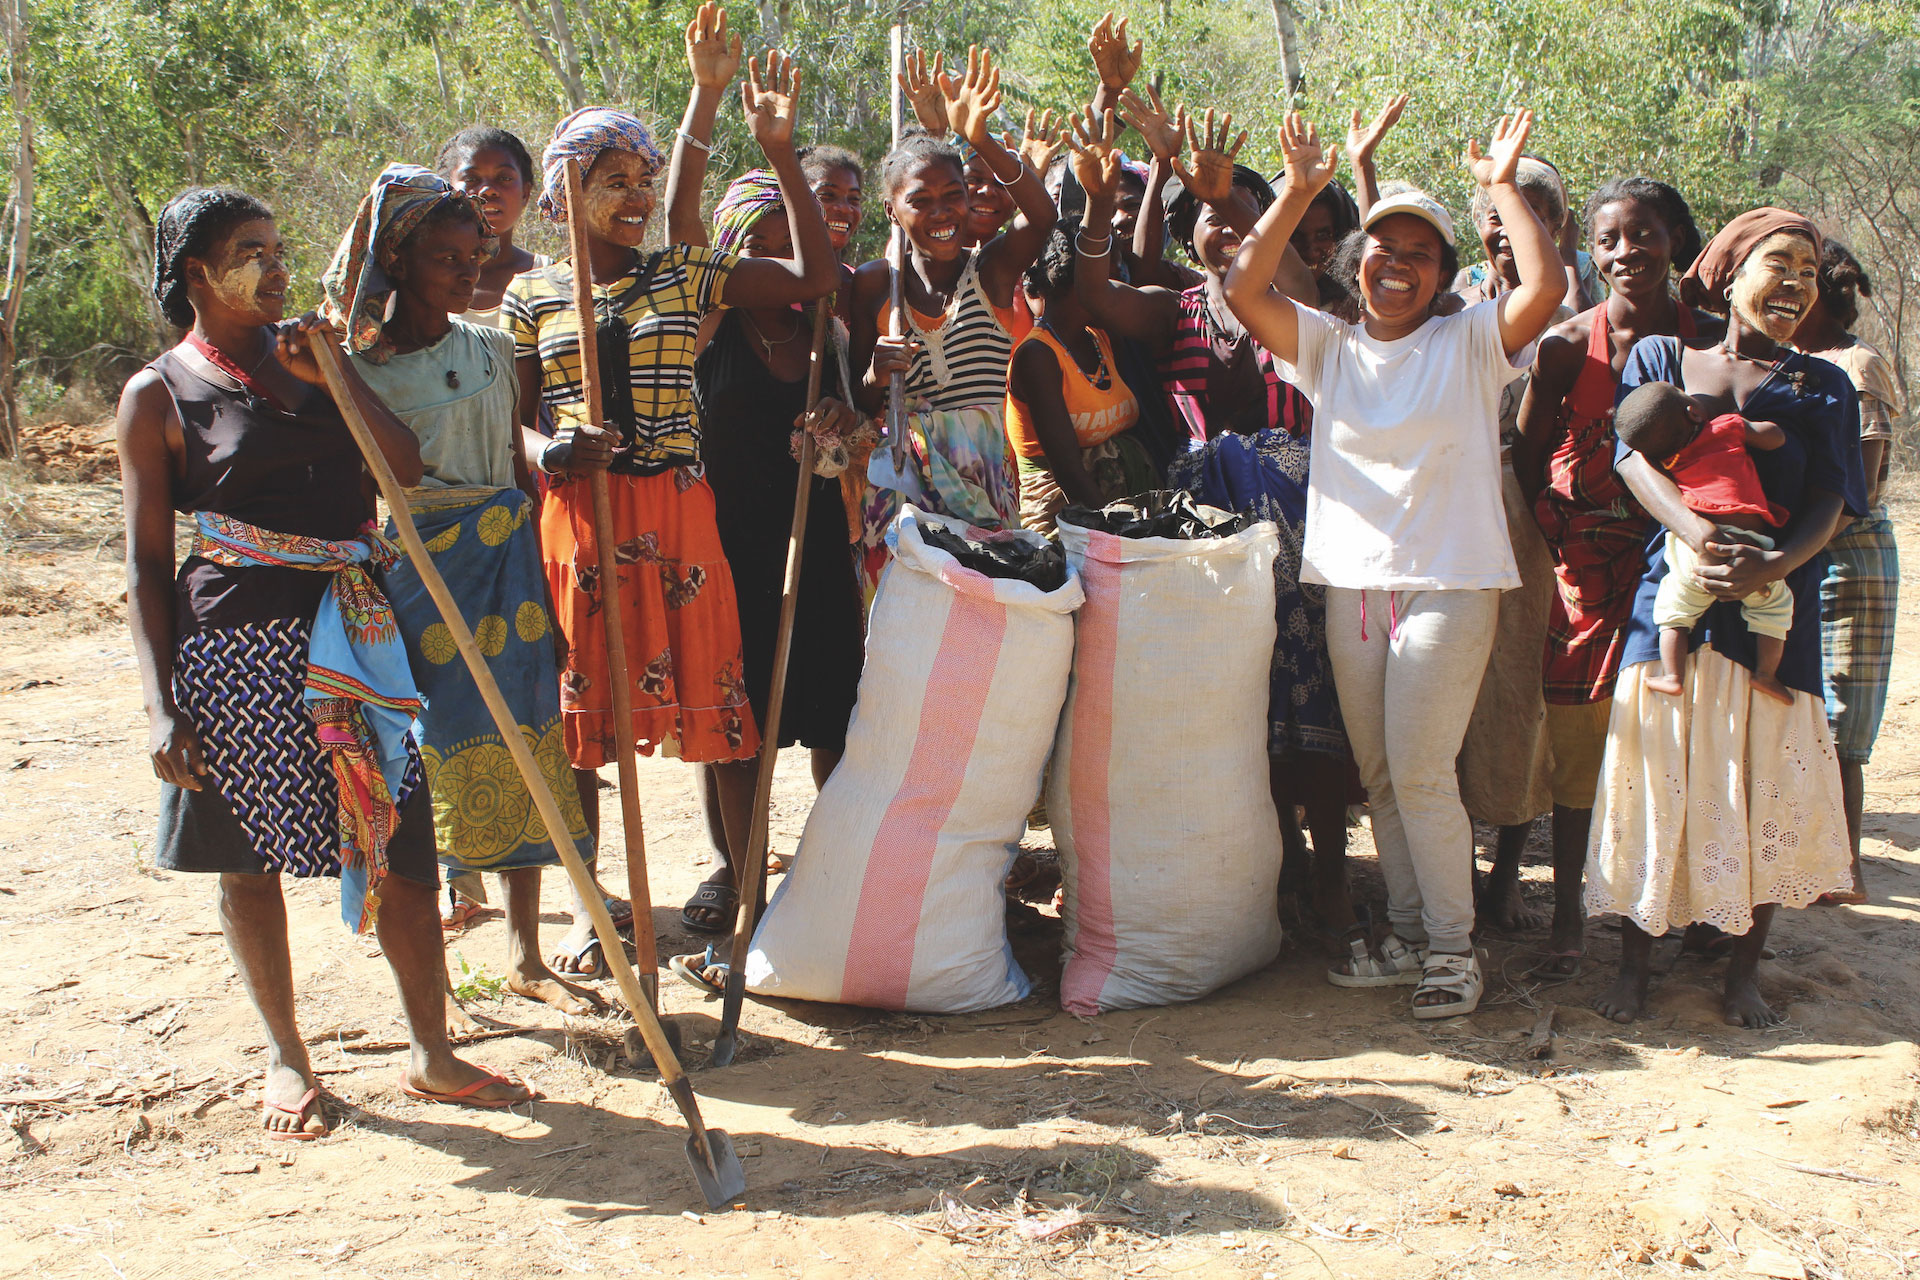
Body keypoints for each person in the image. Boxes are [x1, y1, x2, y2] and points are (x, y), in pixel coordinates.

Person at [118, 188, 535, 1139]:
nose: (273, 266)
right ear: (197, 277)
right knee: (248, 858)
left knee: (401, 842)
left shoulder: (314, 359)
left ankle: (431, 1051)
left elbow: (403, 466)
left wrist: (338, 372)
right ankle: (286, 1059)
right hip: (235, 645)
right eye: (247, 252)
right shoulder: (162, 393)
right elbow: (144, 566)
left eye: (276, 245)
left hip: (357, 629)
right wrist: (158, 707)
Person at [1224, 111, 1568, 1018]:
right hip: (1355, 586)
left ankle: (1454, 951)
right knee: (1380, 776)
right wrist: (1296, 190)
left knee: (1421, 770)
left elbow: (1547, 282)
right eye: (1383, 248)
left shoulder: (1470, 342)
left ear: (1444, 274)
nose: (1398, 263)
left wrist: (1501, 185)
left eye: (1420, 252)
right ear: (1358, 264)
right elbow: (1240, 286)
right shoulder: (1328, 349)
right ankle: (1412, 934)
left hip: (1448, 585)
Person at [502, 30, 838, 938]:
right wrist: (551, 451)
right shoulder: (531, 299)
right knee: (583, 726)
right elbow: (513, 420)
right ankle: (589, 912)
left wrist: (778, 156)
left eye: (645, 182)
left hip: (681, 513)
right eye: (615, 181)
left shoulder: (684, 274)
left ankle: (751, 914)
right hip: (580, 517)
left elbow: (814, 274)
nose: (639, 198)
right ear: (566, 191)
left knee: (723, 715)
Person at [1069, 109, 1355, 953]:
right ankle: (1274, 870)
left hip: (1307, 528)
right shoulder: (1173, 309)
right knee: (1236, 701)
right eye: (1208, 217)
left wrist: (1252, 196)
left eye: (1243, 217)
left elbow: (1295, 280)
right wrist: (1097, 201)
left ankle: (1334, 874)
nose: (1223, 229)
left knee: (1319, 692)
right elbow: (1093, 293)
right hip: (1210, 543)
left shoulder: (1305, 305)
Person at [322, 163, 602, 1016]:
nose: (467, 270)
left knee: (527, 735)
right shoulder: (352, 370)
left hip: (508, 566)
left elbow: (508, 431)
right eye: (446, 256)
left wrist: (552, 451)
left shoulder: (488, 344)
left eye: (474, 253)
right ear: (396, 262)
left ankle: (525, 952)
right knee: (426, 750)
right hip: (418, 576)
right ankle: (433, 954)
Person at [1586, 208, 1866, 1028]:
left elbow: (1836, 501)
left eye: (1810, 273)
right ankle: (1635, 961)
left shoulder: (1825, 385)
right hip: (1674, 594)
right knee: (1660, 769)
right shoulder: (1663, 356)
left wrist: (1774, 565)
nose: (1796, 284)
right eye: (1780, 263)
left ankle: (1743, 969)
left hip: (1776, 608)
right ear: (1729, 271)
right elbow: (1631, 455)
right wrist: (1696, 532)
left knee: (1764, 775)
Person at [669, 172, 868, 988]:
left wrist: (839, 425)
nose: (778, 262)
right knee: (737, 735)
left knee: (833, 728)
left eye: (793, 246)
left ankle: (827, 895)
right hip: (722, 555)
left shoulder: (829, 336)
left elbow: (853, 436)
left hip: (813, 548)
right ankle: (746, 904)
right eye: (760, 246)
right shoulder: (700, 337)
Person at [1511, 176, 1706, 979]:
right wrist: (1563, 538)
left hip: (1676, 565)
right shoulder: (1563, 347)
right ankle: (1567, 909)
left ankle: (1682, 904)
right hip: (1580, 573)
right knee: (1575, 737)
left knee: (1677, 732)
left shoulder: (1708, 342)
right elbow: (1526, 461)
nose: (1628, 252)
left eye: (1645, 234)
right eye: (1609, 239)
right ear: (1589, 251)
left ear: (1676, 241)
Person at [849, 45, 1056, 599]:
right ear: (892, 211)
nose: (941, 211)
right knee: (903, 617)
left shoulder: (988, 272)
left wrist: (982, 138)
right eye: (921, 200)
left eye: (953, 195)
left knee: (983, 617)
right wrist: (875, 373)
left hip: (983, 474)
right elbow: (854, 399)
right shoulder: (875, 283)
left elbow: (1043, 217)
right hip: (902, 477)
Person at [1448, 156, 1576, 941]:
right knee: (1450, 688)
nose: (1507, 223)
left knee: (1525, 688)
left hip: (1540, 520)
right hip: (1457, 508)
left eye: (1529, 207)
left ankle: (1505, 877)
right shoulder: (1453, 304)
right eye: (1495, 209)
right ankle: (1454, 871)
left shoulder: (1577, 308)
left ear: (1553, 223)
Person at [1794, 241, 1905, 904]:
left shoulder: (1855, 363)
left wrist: (1792, 549)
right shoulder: (1791, 358)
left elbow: (1861, 485)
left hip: (1848, 554)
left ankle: (1846, 868)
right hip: (1803, 550)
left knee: (1843, 719)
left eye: (1799, 274)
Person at [1612, 382, 1792, 703]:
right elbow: (1775, 438)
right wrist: (1752, 424)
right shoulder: (1725, 427)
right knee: (1773, 607)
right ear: (1693, 410)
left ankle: (1672, 675)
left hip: (1692, 545)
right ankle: (1766, 674)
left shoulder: (1665, 463)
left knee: (1673, 610)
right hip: (1747, 545)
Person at [1005, 217, 1151, 534]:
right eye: (1113, 272)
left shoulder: (1101, 339)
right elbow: (1069, 473)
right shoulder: (1037, 356)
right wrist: (1123, 537)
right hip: (1068, 522)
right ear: (1088, 276)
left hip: (1120, 513)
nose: (1119, 284)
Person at [436, 127, 549, 329]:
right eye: (471, 179)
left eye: (504, 178)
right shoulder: (423, 279)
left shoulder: (550, 277)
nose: (488, 190)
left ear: (525, 193)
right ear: (446, 190)